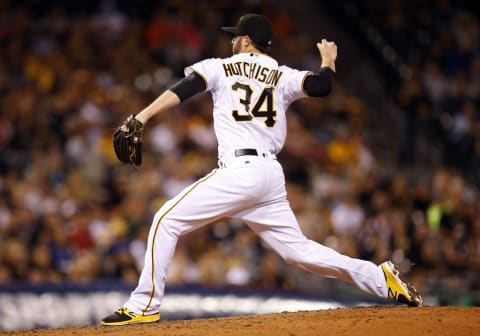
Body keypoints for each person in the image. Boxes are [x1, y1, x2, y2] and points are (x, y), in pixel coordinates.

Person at [101, 13, 421, 326]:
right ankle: (380, 278)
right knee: (299, 253)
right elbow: (323, 86)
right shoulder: (282, 75)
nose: (231, 40)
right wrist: (327, 59)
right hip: (269, 174)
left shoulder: (221, 67)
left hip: (240, 170)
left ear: (246, 40)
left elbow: (185, 88)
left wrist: (141, 116)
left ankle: (144, 304)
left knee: (165, 221)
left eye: (235, 35)